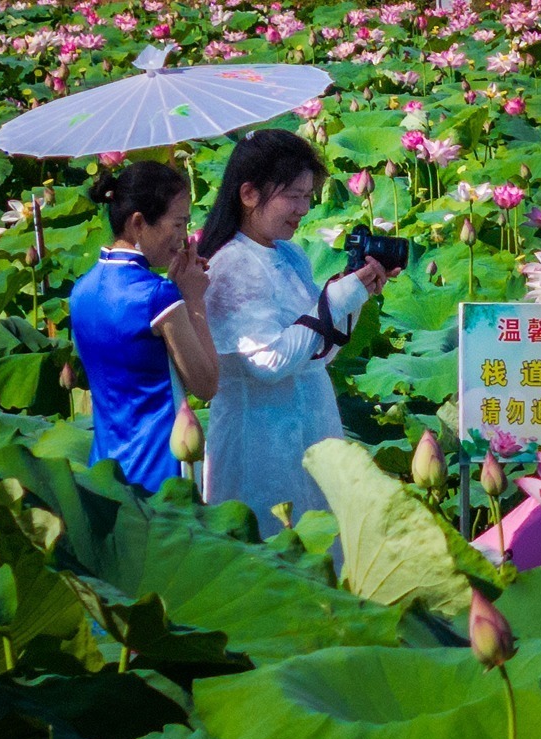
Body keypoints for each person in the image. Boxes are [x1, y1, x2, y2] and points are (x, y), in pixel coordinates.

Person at [196, 127, 386, 537]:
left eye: (308, 195)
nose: (304, 208)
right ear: (249, 195)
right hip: (260, 444)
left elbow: (318, 354)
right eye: (294, 196)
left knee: (321, 550)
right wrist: (336, 300)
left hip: (312, 428)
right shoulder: (232, 265)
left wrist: (357, 294)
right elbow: (270, 362)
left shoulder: (291, 254)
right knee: (274, 557)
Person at [70, 159, 218, 493]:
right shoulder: (155, 296)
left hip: (106, 467)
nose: (183, 238)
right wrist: (192, 299)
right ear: (138, 223)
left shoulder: (81, 291)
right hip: (160, 466)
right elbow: (206, 384)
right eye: (178, 224)